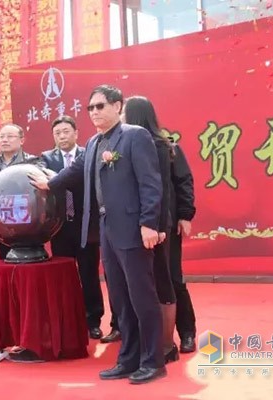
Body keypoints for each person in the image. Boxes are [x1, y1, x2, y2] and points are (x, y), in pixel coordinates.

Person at [30, 85, 166, 384]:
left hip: (133, 228)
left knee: (141, 296)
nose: (94, 112)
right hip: (105, 229)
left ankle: (154, 360)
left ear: (118, 106)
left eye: (100, 106)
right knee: (120, 298)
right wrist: (48, 184)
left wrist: (149, 223)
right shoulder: (93, 143)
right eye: (90, 108)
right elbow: (74, 172)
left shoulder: (134, 136)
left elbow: (150, 183)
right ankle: (128, 358)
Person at [122, 95, 179, 362]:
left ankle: (166, 345)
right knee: (146, 281)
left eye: (123, 111)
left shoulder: (157, 145)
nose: (120, 116)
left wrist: (156, 225)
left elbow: (161, 188)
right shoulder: (129, 142)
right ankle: (150, 342)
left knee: (161, 280)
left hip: (155, 224)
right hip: (139, 222)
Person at [40, 115, 104, 340]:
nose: (62, 136)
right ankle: (68, 320)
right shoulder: (46, 159)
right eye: (57, 133)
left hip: (86, 225)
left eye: (66, 131)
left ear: (76, 133)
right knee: (64, 276)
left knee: (89, 274)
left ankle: (93, 320)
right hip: (60, 227)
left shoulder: (88, 154)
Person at [0, 123, 39, 260]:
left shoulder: (33, 162)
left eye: (10, 136)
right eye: (1, 137)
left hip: (26, 217)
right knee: (5, 259)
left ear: (22, 140)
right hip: (2, 221)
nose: (5, 140)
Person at [168, 137, 197, 353]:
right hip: (135, 226)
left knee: (173, 279)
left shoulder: (169, 148)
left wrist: (185, 214)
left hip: (167, 224)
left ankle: (187, 332)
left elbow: (184, 181)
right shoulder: (124, 145)